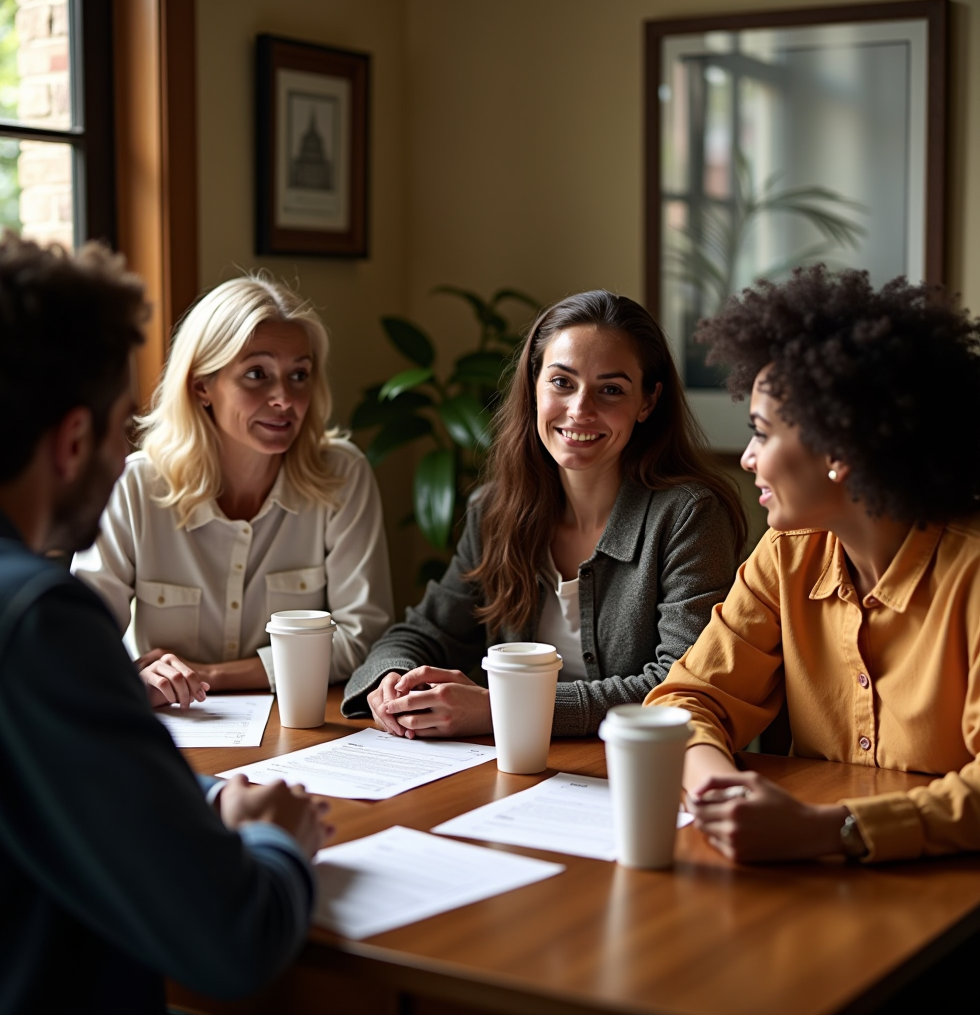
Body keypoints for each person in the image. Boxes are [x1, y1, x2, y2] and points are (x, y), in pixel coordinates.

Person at [0, 234, 331, 1014]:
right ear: (72, 441)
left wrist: (196, 804)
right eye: (124, 419)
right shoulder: (31, 620)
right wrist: (277, 838)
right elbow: (234, 939)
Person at [645, 266, 980, 863]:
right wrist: (713, 791)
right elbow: (687, 698)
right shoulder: (788, 553)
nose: (747, 458)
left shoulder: (973, 574)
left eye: (761, 433)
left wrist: (830, 830)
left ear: (839, 453)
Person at [342, 289, 748, 737]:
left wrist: (505, 709)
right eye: (562, 382)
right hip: (517, 774)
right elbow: (422, 632)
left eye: (611, 389)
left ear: (647, 402)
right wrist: (391, 682)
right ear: (534, 384)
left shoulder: (689, 516)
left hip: (637, 773)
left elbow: (682, 685)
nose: (580, 410)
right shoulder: (495, 511)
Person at [72, 274, 393, 709]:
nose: (284, 398)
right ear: (202, 385)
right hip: (173, 727)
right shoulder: (135, 487)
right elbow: (80, 638)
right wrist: (136, 674)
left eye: (299, 375)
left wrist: (208, 677)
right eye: (257, 374)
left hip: (303, 729)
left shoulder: (342, 476)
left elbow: (363, 638)